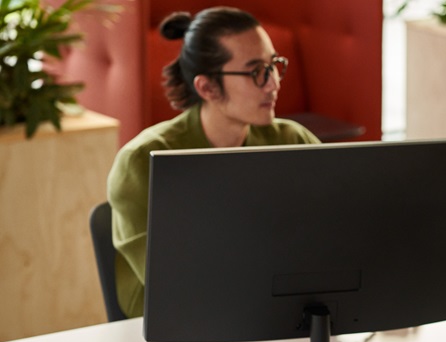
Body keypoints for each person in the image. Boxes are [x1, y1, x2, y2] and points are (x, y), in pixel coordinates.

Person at [108, 7, 320, 318]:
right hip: (174, 334)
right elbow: (177, 286)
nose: (273, 83)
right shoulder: (143, 163)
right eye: (255, 72)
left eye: (274, 65)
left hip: (275, 320)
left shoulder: (291, 141)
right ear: (206, 87)